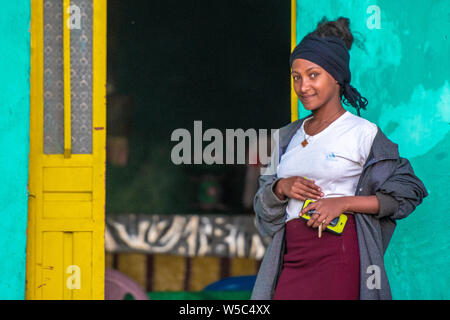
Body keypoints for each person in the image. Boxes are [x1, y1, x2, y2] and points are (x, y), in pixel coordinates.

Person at [251, 17, 428, 300]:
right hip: (291, 256)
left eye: (313, 75)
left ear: (336, 76)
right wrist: (280, 188)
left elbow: (408, 193)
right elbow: (264, 213)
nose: (303, 86)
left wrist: (343, 203)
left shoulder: (363, 134)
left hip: (339, 255)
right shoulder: (285, 137)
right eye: (296, 77)